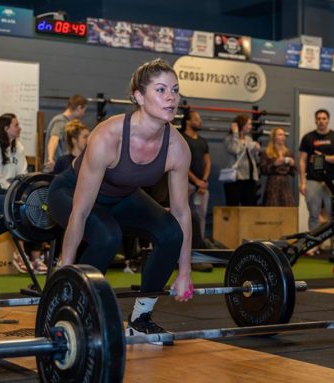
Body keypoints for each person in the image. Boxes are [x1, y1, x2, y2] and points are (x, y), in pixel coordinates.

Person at [48, 58, 193, 341]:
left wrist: (185, 270)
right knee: (107, 236)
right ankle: (77, 306)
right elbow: (81, 210)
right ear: (139, 96)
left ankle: (141, 318)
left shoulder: (177, 147)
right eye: (161, 90)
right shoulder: (108, 135)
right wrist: (65, 270)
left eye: (175, 90)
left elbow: (182, 212)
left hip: (122, 196)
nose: (171, 97)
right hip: (69, 193)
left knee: (170, 232)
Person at [0, 113, 47, 274]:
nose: (19, 127)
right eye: (16, 125)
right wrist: (14, 192)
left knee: (33, 204)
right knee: (12, 207)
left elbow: (22, 173)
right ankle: (20, 254)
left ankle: (36, 257)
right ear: (6, 128)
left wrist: (21, 190)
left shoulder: (19, 147)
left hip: (9, 190)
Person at [299, 109, 334, 255]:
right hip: (312, 180)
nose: (321, 121)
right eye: (319, 118)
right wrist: (302, 182)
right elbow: (302, 160)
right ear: (315, 120)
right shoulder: (308, 138)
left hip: (331, 181)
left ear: (328, 120)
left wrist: (325, 157)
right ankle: (313, 245)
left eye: (324, 118)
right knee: (314, 214)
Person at [180, 109, 210, 240]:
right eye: (197, 119)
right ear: (188, 121)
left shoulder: (203, 141)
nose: (200, 122)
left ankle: (200, 244)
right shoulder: (181, 139)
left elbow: (207, 162)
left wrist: (203, 181)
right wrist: (195, 181)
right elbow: (180, 164)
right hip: (185, 184)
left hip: (201, 186)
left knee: (201, 215)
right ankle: (182, 242)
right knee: (182, 214)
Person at [43, 94, 88, 172]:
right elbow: (54, 139)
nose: (83, 114)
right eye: (84, 110)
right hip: (54, 169)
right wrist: (50, 159)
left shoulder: (66, 122)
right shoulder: (60, 122)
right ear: (79, 107)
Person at [223, 114, 260, 206]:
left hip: (250, 177)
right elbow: (235, 150)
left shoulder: (249, 139)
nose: (250, 126)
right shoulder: (229, 139)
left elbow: (254, 157)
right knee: (233, 205)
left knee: (249, 205)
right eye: (248, 124)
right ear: (241, 125)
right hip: (236, 178)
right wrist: (235, 134)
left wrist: (256, 150)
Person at [260, 127, 296, 207]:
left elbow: (293, 173)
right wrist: (274, 164)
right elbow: (263, 170)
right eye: (280, 134)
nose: (283, 137)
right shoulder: (267, 152)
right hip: (273, 183)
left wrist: (292, 165)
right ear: (274, 137)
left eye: (284, 135)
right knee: (273, 208)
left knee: (287, 208)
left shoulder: (288, 152)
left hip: (285, 183)